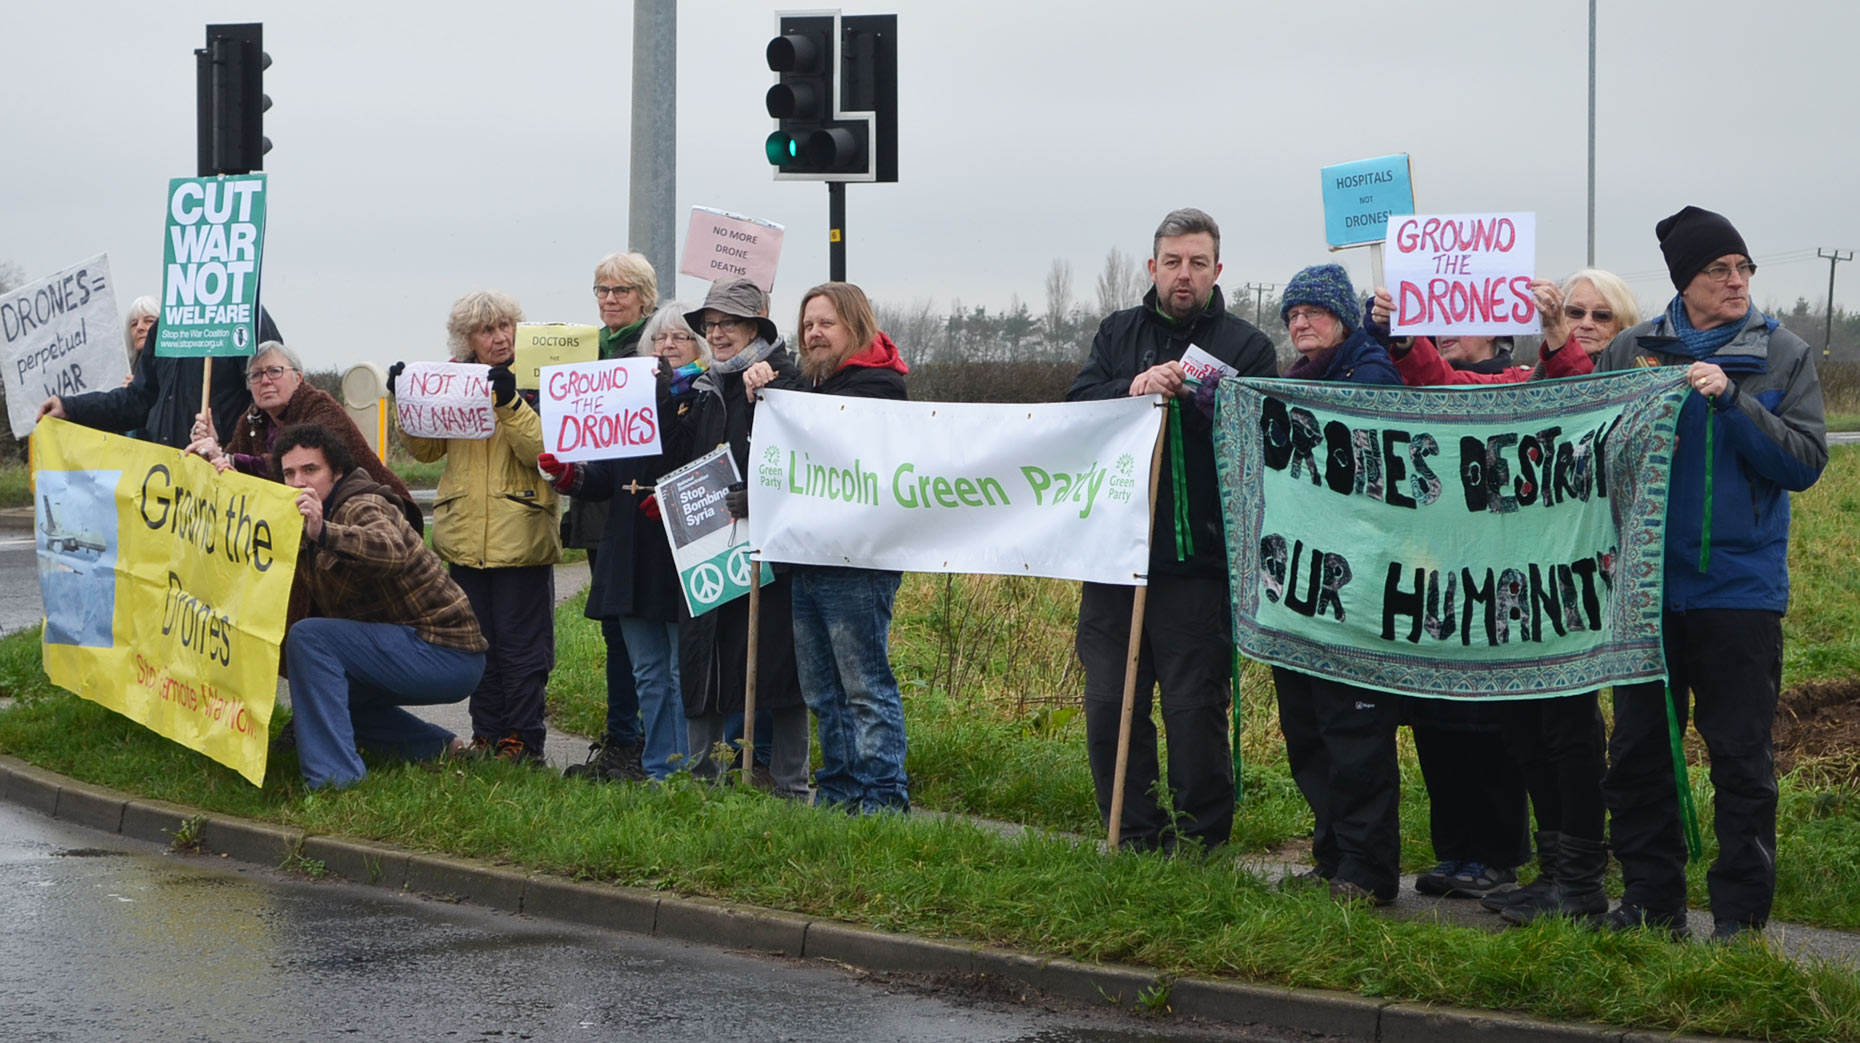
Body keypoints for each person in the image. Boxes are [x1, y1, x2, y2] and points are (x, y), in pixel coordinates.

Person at [1368, 270, 1643, 923]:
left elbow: (1582, 399)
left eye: (1599, 317)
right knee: (1526, 731)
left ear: (1623, 330)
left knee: (1572, 732)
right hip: (1519, 585)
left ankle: (1580, 881)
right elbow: (1448, 389)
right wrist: (1404, 337)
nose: (1582, 324)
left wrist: (1555, 340)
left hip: (1581, 585)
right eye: (1572, 311)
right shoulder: (1523, 380)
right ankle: (1553, 871)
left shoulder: (1630, 385)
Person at [1598, 206, 1827, 941]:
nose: (1737, 282)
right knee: (1638, 751)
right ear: (1683, 283)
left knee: (1740, 757)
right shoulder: (1634, 349)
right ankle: (1649, 902)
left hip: (1738, 592)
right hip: (1645, 591)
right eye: (1718, 271)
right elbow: (1593, 447)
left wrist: (1730, 401)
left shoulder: (1782, 353)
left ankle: (1739, 916)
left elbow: (1802, 461)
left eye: (1743, 268)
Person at [1064, 208, 1277, 852]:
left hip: (1197, 558)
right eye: (1174, 262)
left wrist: (1203, 401)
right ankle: (1132, 834)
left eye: (1199, 263)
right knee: (1109, 703)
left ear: (1218, 271)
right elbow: (1075, 408)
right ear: (1152, 267)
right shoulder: (1116, 332)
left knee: (1194, 709)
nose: (1185, 276)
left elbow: (1265, 438)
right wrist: (1135, 386)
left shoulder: (1248, 345)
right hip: (1114, 558)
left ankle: (1202, 841)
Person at [1264, 263, 1405, 904]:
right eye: (1293, 314)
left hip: (1355, 584)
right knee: (1307, 728)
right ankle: (1332, 855)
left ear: (1343, 318)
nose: (1299, 323)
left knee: (1354, 733)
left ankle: (1369, 869)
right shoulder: (1298, 377)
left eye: (1313, 312)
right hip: (1301, 582)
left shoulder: (1369, 371)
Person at [271, 423, 486, 789]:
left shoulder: (360, 503)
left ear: (336, 471)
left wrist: (324, 532)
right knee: (320, 692)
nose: (298, 482)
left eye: (310, 470)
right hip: (412, 647)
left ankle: (335, 781)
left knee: (308, 637)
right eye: (289, 473)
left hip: (445, 652)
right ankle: (438, 747)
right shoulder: (306, 516)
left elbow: (390, 549)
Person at [396, 291, 560, 762]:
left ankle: (524, 742)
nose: (501, 337)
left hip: (521, 536)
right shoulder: (452, 381)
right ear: (468, 338)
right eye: (488, 330)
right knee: (478, 646)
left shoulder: (537, 378)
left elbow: (545, 454)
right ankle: (487, 736)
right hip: (465, 540)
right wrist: (406, 401)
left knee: (523, 652)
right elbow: (427, 451)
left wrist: (509, 402)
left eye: (506, 326)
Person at [540, 305, 696, 783]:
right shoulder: (625, 402)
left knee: (678, 671)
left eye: (680, 338)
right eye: (658, 338)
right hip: (629, 550)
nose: (667, 345)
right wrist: (573, 474)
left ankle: (686, 770)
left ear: (698, 347)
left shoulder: (703, 399)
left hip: (679, 551)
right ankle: (656, 773)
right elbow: (607, 475)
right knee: (647, 672)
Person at [678, 279, 810, 798]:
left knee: (778, 669)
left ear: (756, 325)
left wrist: (763, 497)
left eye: (728, 323)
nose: (717, 334)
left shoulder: (784, 380)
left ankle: (790, 789)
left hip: (772, 554)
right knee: (704, 662)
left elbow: (807, 462)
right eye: (710, 325)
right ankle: (700, 785)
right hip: (709, 550)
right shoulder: (704, 388)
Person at [787, 282, 911, 812]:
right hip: (808, 555)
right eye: (808, 324)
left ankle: (884, 798)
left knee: (864, 688)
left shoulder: (878, 388)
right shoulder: (810, 389)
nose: (815, 333)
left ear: (855, 327)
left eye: (826, 324)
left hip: (858, 561)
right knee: (822, 692)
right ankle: (839, 792)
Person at [559, 253, 658, 781]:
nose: (611, 298)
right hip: (596, 501)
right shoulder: (583, 349)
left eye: (622, 290)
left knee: (640, 630)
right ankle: (624, 737)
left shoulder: (657, 344)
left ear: (645, 295)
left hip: (641, 502)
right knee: (615, 631)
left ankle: (640, 741)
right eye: (602, 289)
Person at [39, 309, 280, 448]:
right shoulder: (165, 328)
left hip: (222, 474)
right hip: (167, 475)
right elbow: (137, 401)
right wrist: (70, 408)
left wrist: (230, 449)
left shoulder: (246, 314)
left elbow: (274, 396)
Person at [122, 296, 157, 387]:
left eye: (148, 321)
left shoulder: (174, 371)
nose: (139, 327)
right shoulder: (123, 370)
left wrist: (141, 392)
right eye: (134, 324)